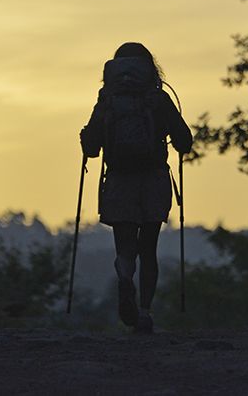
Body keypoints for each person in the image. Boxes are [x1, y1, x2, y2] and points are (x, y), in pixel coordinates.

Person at [80, 42, 193, 334]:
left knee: (126, 246)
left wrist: (87, 138)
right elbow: (184, 141)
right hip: (153, 181)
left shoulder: (107, 100)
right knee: (149, 249)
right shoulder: (158, 99)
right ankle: (144, 312)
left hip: (119, 182)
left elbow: (91, 148)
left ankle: (124, 275)